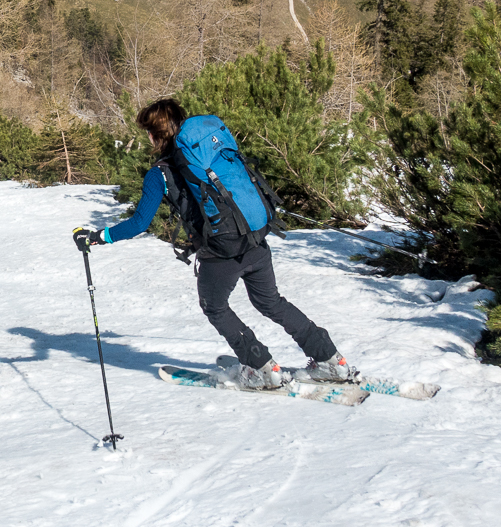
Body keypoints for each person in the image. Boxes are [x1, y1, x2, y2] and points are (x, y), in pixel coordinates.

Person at [74, 97, 357, 390]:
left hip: (222, 251)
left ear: (154, 135)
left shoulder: (159, 173)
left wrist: (97, 237)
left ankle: (260, 366)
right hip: (254, 238)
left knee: (215, 306)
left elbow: (138, 224)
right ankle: (330, 360)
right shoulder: (209, 153)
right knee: (271, 302)